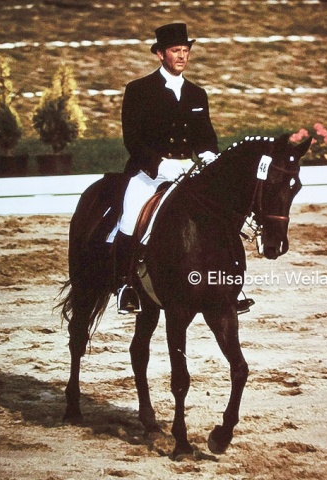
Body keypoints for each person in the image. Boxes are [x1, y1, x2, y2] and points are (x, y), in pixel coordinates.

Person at [116, 23, 219, 314]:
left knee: (217, 215)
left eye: (186, 51)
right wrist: (160, 166)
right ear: (160, 54)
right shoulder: (139, 90)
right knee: (131, 217)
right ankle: (127, 286)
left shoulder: (197, 94)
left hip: (189, 170)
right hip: (150, 173)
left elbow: (206, 137)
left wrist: (210, 156)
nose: (182, 56)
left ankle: (226, 286)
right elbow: (132, 140)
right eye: (176, 51)